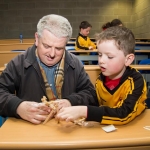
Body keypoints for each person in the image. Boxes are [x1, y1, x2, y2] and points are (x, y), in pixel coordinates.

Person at [0, 14, 98, 125]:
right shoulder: (18, 63)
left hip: (66, 129)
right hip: (29, 131)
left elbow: (91, 94)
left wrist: (70, 101)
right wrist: (18, 106)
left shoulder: (75, 64)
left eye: (59, 48)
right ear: (37, 38)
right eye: (46, 46)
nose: (52, 54)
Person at [56, 26, 147, 125]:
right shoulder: (100, 80)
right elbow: (94, 101)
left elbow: (124, 114)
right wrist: (70, 102)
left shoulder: (136, 81)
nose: (101, 61)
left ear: (128, 59)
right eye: (99, 54)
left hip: (134, 129)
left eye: (110, 57)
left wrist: (83, 111)